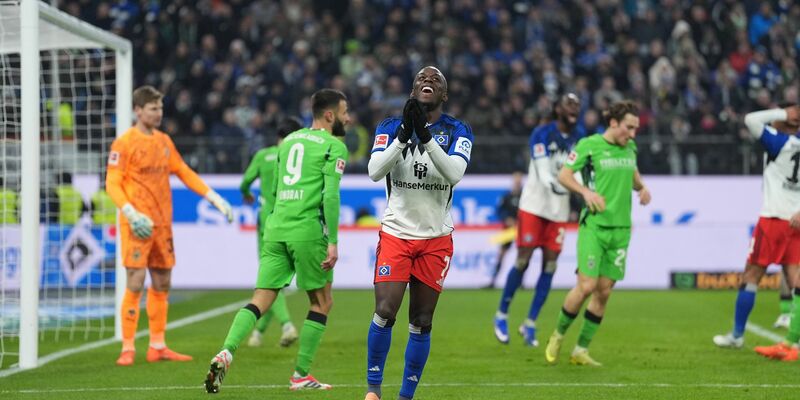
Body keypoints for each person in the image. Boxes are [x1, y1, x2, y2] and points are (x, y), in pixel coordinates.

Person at [205, 89, 349, 393]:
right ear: (330, 115)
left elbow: (281, 186)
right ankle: (300, 375)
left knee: (261, 297)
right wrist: (333, 240)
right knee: (322, 302)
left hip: (274, 229)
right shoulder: (334, 146)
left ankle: (227, 350)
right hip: (307, 230)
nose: (348, 118)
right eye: (345, 112)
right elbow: (331, 195)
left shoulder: (288, 143)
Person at [364, 66, 473, 400]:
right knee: (385, 311)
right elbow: (373, 171)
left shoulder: (458, 130)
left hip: (435, 238)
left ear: (444, 95)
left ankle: (405, 396)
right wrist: (404, 135)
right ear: (412, 92)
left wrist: (424, 135)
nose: (428, 81)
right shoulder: (389, 126)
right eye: (421, 80)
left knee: (421, 319)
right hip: (397, 232)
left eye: (435, 81)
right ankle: (373, 390)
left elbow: (454, 174)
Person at [107, 85, 233, 366]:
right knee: (136, 281)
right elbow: (112, 182)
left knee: (163, 281)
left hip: (162, 224)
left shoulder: (164, 141)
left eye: (161, 108)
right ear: (138, 111)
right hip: (137, 224)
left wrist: (213, 197)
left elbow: (184, 172)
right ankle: (128, 347)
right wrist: (129, 212)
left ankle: (158, 345)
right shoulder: (124, 143)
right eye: (153, 108)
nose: (159, 113)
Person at [543, 100, 651, 366]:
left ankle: (580, 350)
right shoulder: (589, 146)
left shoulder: (631, 147)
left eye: (636, 129)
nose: (633, 134)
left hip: (621, 230)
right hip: (594, 226)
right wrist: (585, 192)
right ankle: (557, 335)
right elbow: (564, 176)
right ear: (613, 123)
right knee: (587, 286)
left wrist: (642, 188)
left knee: (603, 292)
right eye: (629, 127)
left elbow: (633, 174)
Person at [493, 93, 585, 346]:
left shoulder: (580, 139)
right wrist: (564, 187)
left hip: (558, 212)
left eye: (577, 105)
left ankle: (530, 323)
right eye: (569, 104)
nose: (574, 109)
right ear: (557, 109)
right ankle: (501, 315)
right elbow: (544, 172)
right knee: (523, 260)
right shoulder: (542, 133)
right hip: (534, 206)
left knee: (551, 266)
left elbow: (583, 172)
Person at [710, 104, 800, 357]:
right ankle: (794, 340)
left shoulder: (779, 142)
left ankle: (737, 336)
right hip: (796, 221)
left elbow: (750, 119)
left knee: (751, 275)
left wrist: (783, 114)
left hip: (773, 220)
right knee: (796, 282)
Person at [239, 117, 303, 348]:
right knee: (277, 282)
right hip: (294, 221)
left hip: (268, 224)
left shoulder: (264, 156)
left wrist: (247, 194)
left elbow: (245, 182)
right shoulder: (301, 158)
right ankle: (259, 333)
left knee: (269, 281)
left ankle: (285, 325)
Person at [484, 171, 522, 289]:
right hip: (509, 230)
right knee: (501, 254)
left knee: (522, 256)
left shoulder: (525, 197)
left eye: (519, 181)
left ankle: (520, 283)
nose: (517, 183)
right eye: (516, 181)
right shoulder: (507, 197)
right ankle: (493, 281)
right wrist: (507, 219)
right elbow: (499, 211)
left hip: (521, 230)